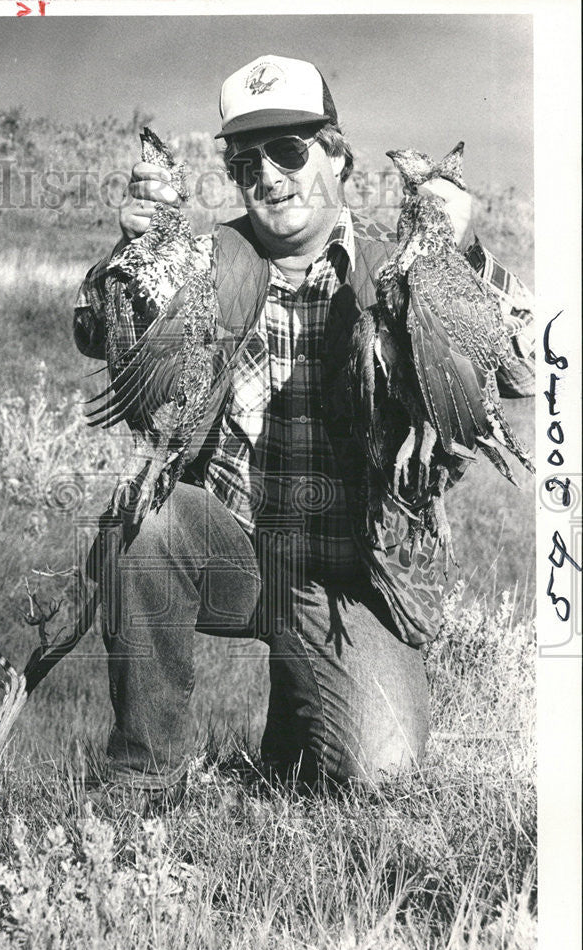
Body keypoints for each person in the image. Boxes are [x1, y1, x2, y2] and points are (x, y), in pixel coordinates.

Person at [73, 55, 535, 798]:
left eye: (291, 151)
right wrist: (128, 252)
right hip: (234, 554)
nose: (270, 176)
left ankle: (301, 712)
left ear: (338, 155)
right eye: (247, 160)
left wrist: (461, 256)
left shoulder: (401, 270)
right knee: (148, 520)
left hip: (353, 575)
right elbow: (97, 331)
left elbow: (529, 364)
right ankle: (141, 783)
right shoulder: (207, 260)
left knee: (378, 772)